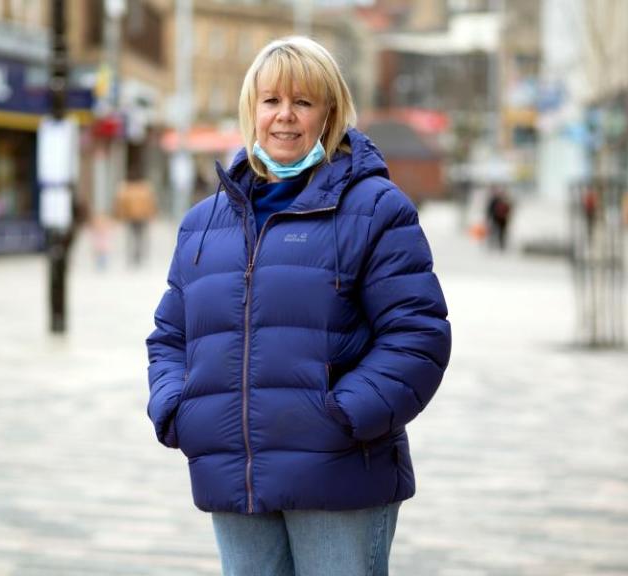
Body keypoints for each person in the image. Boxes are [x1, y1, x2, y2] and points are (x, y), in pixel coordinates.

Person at [146, 37, 451, 576]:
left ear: (329, 114)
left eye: (303, 103)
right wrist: (178, 409)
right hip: (232, 473)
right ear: (251, 110)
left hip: (338, 475)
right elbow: (171, 336)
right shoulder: (203, 222)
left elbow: (417, 334)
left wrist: (341, 416)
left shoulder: (375, 208)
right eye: (271, 102)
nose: (284, 117)